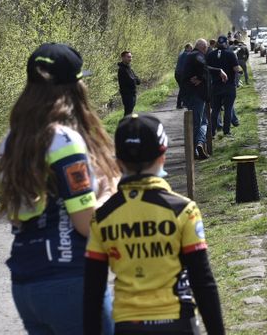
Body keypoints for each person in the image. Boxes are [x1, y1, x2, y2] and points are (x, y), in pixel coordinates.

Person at [0, 42, 119, 334]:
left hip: (25, 285)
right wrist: (110, 192)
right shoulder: (64, 140)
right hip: (70, 279)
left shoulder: (10, 141)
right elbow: (86, 223)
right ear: (74, 88)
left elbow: (17, 215)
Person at [84, 114, 225, 335]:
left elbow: (93, 291)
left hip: (128, 325)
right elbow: (203, 282)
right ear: (163, 156)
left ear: (118, 163)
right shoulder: (184, 210)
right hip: (178, 322)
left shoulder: (101, 217)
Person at [183, 39, 214, 160]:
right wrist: (200, 78)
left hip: (195, 94)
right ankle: (194, 149)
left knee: (203, 122)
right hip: (197, 95)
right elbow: (203, 68)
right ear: (202, 47)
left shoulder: (190, 55)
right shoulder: (197, 56)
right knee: (197, 122)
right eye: (205, 48)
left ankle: (199, 144)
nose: (206, 50)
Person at [207, 35, 241, 138]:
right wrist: (240, 71)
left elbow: (206, 68)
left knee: (215, 110)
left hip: (216, 86)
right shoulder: (230, 54)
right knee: (228, 109)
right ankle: (226, 131)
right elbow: (236, 69)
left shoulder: (210, 55)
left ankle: (212, 132)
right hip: (229, 85)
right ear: (226, 43)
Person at [117, 50, 141, 115]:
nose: (130, 59)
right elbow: (131, 81)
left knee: (130, 112)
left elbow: (138, 81)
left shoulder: (129, 68)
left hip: (132, 93)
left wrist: (134, 79)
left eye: (130, 57)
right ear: (123, 58)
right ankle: (125, 124)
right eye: (128, 57)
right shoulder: (122, 69)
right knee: (128, 112)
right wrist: (134, 79)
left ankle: (128, 124)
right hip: (127, 95)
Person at [175, 43, 193, 109]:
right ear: (187, 48)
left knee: (183, 88)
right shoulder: (187, 54)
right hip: (181, 73)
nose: (191, 49)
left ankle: (183, 103)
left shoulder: (181, 53)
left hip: (177, 73)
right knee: (183, 88)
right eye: (190, 48)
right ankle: (179, 104)